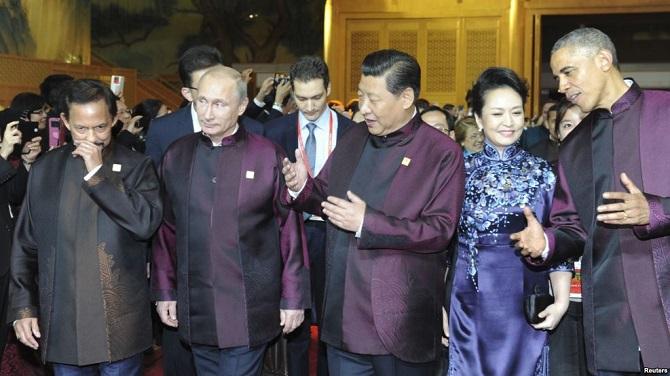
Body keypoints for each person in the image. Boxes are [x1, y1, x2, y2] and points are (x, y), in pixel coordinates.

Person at [282, 49, 464, 375]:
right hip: (345, 316)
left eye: (373, 99)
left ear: (406, 97)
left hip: (400, 319)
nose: (363, 108)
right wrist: (300, 187)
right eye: (361, 96)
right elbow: (325, 196)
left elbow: (440, 230)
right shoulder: (355, 138)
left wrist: (367, 222)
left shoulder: (441, 152)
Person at [512, 27, 670, 374]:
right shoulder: (576, 145)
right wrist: (546, 243)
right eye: (557, 77)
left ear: (603, 60)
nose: (562, 86)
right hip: (611, 320)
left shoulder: (666, 112)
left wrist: (656, 211)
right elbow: (573, 226)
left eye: (568, 72)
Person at [151, 66, 310, 376]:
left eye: (219, 104)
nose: (208, 113)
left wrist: (293, 297)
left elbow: (289, 231)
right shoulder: (178, 155)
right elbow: (166, 229)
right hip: (196, 305)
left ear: (241, 106)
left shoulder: (267, 156)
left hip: (250, 304)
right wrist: (164, 290)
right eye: (202, 102)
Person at [8, 79, 163, 375]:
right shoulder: (46, 168)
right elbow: (25, 245)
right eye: (81, 128)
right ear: (65, 121)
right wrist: (23, 308)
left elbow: (144, 224)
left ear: (115, 119)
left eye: (101, 127)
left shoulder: (137, 166)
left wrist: (97, 175)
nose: (92, 137)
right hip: (63, 318)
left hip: (119, 321)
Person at [447, 67, 572, 376]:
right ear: (478, 118)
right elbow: (444, 245)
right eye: (498, 113)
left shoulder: (544, 172)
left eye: (516, 112)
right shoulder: (458, 173)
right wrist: (442, 304)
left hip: (525, 301)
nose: (508, 122)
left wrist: (562, 300)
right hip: (469, 303)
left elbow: (560, 240)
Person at [265, 55, 354, 376]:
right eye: (301, 98)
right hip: (290, 236)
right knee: (293, 320)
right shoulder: (274, 131)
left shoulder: (352, 132)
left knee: (333, 323)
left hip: (335, 234)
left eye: (317, 97)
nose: (310, 105)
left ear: (329, 88)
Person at [145, 45, 264, 167]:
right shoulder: (162, 130)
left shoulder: (254, 130)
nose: (214, 89)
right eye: (204, 86)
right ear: (188, 94)